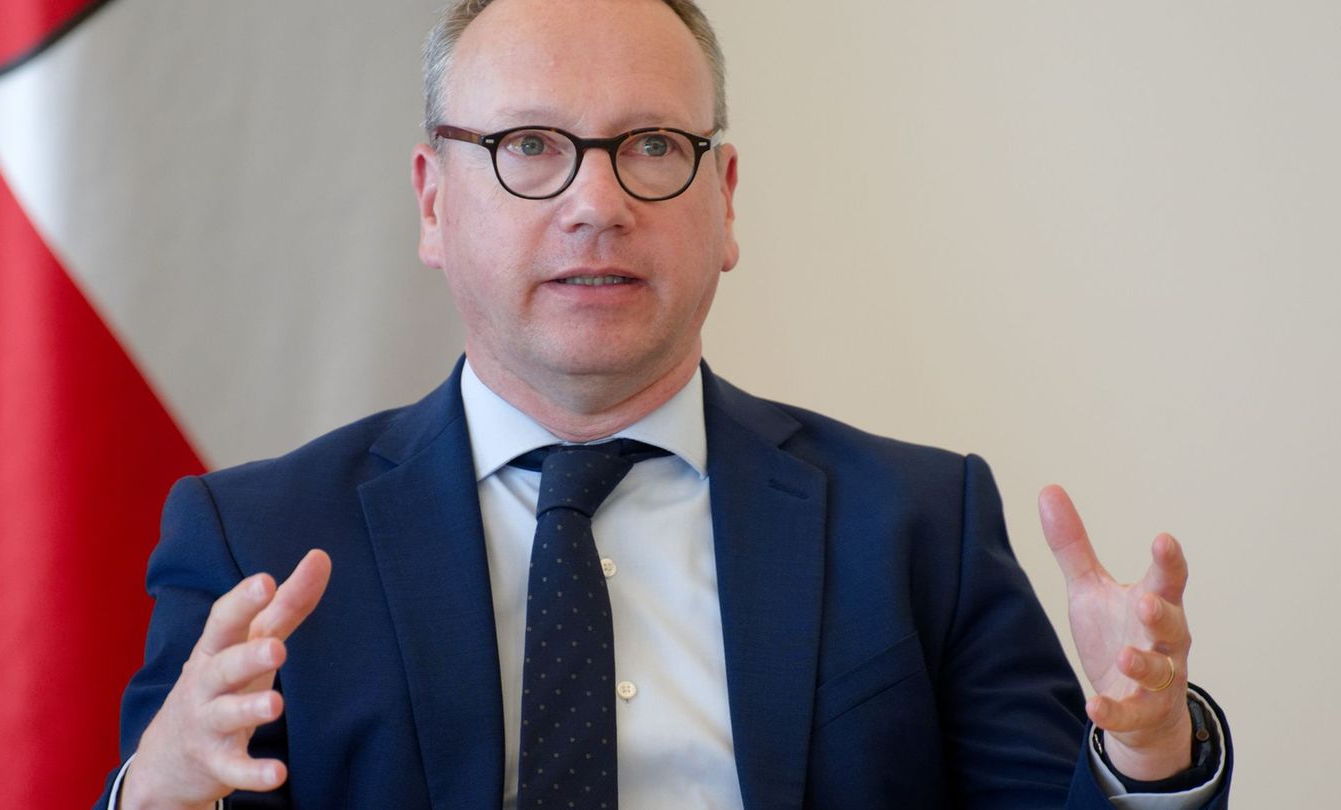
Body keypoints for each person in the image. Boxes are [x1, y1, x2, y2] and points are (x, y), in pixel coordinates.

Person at [98, 0, 1233, 807]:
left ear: (724, 200)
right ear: (433, 202)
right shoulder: (255, 540)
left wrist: (1144, 752)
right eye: (529, 146)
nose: (596, 202)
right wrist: (156, 799)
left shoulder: (924, 524)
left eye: (652, 146)